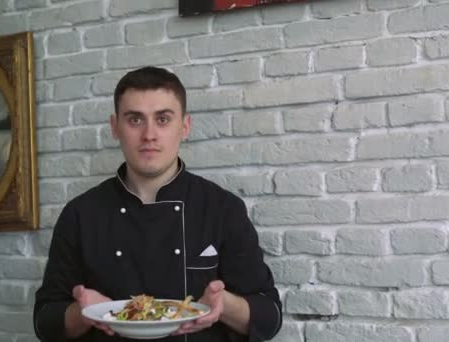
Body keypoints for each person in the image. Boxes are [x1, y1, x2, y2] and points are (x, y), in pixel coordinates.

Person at [33, 66, 282, 342]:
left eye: (163, 119)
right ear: (115, 127)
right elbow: (45, 320)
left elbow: (269, 315)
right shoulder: (80, 214)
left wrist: (225, 304)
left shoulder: (222, 209)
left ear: (184, 126)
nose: (149, 134)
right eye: (135, 120)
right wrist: (81, 314)